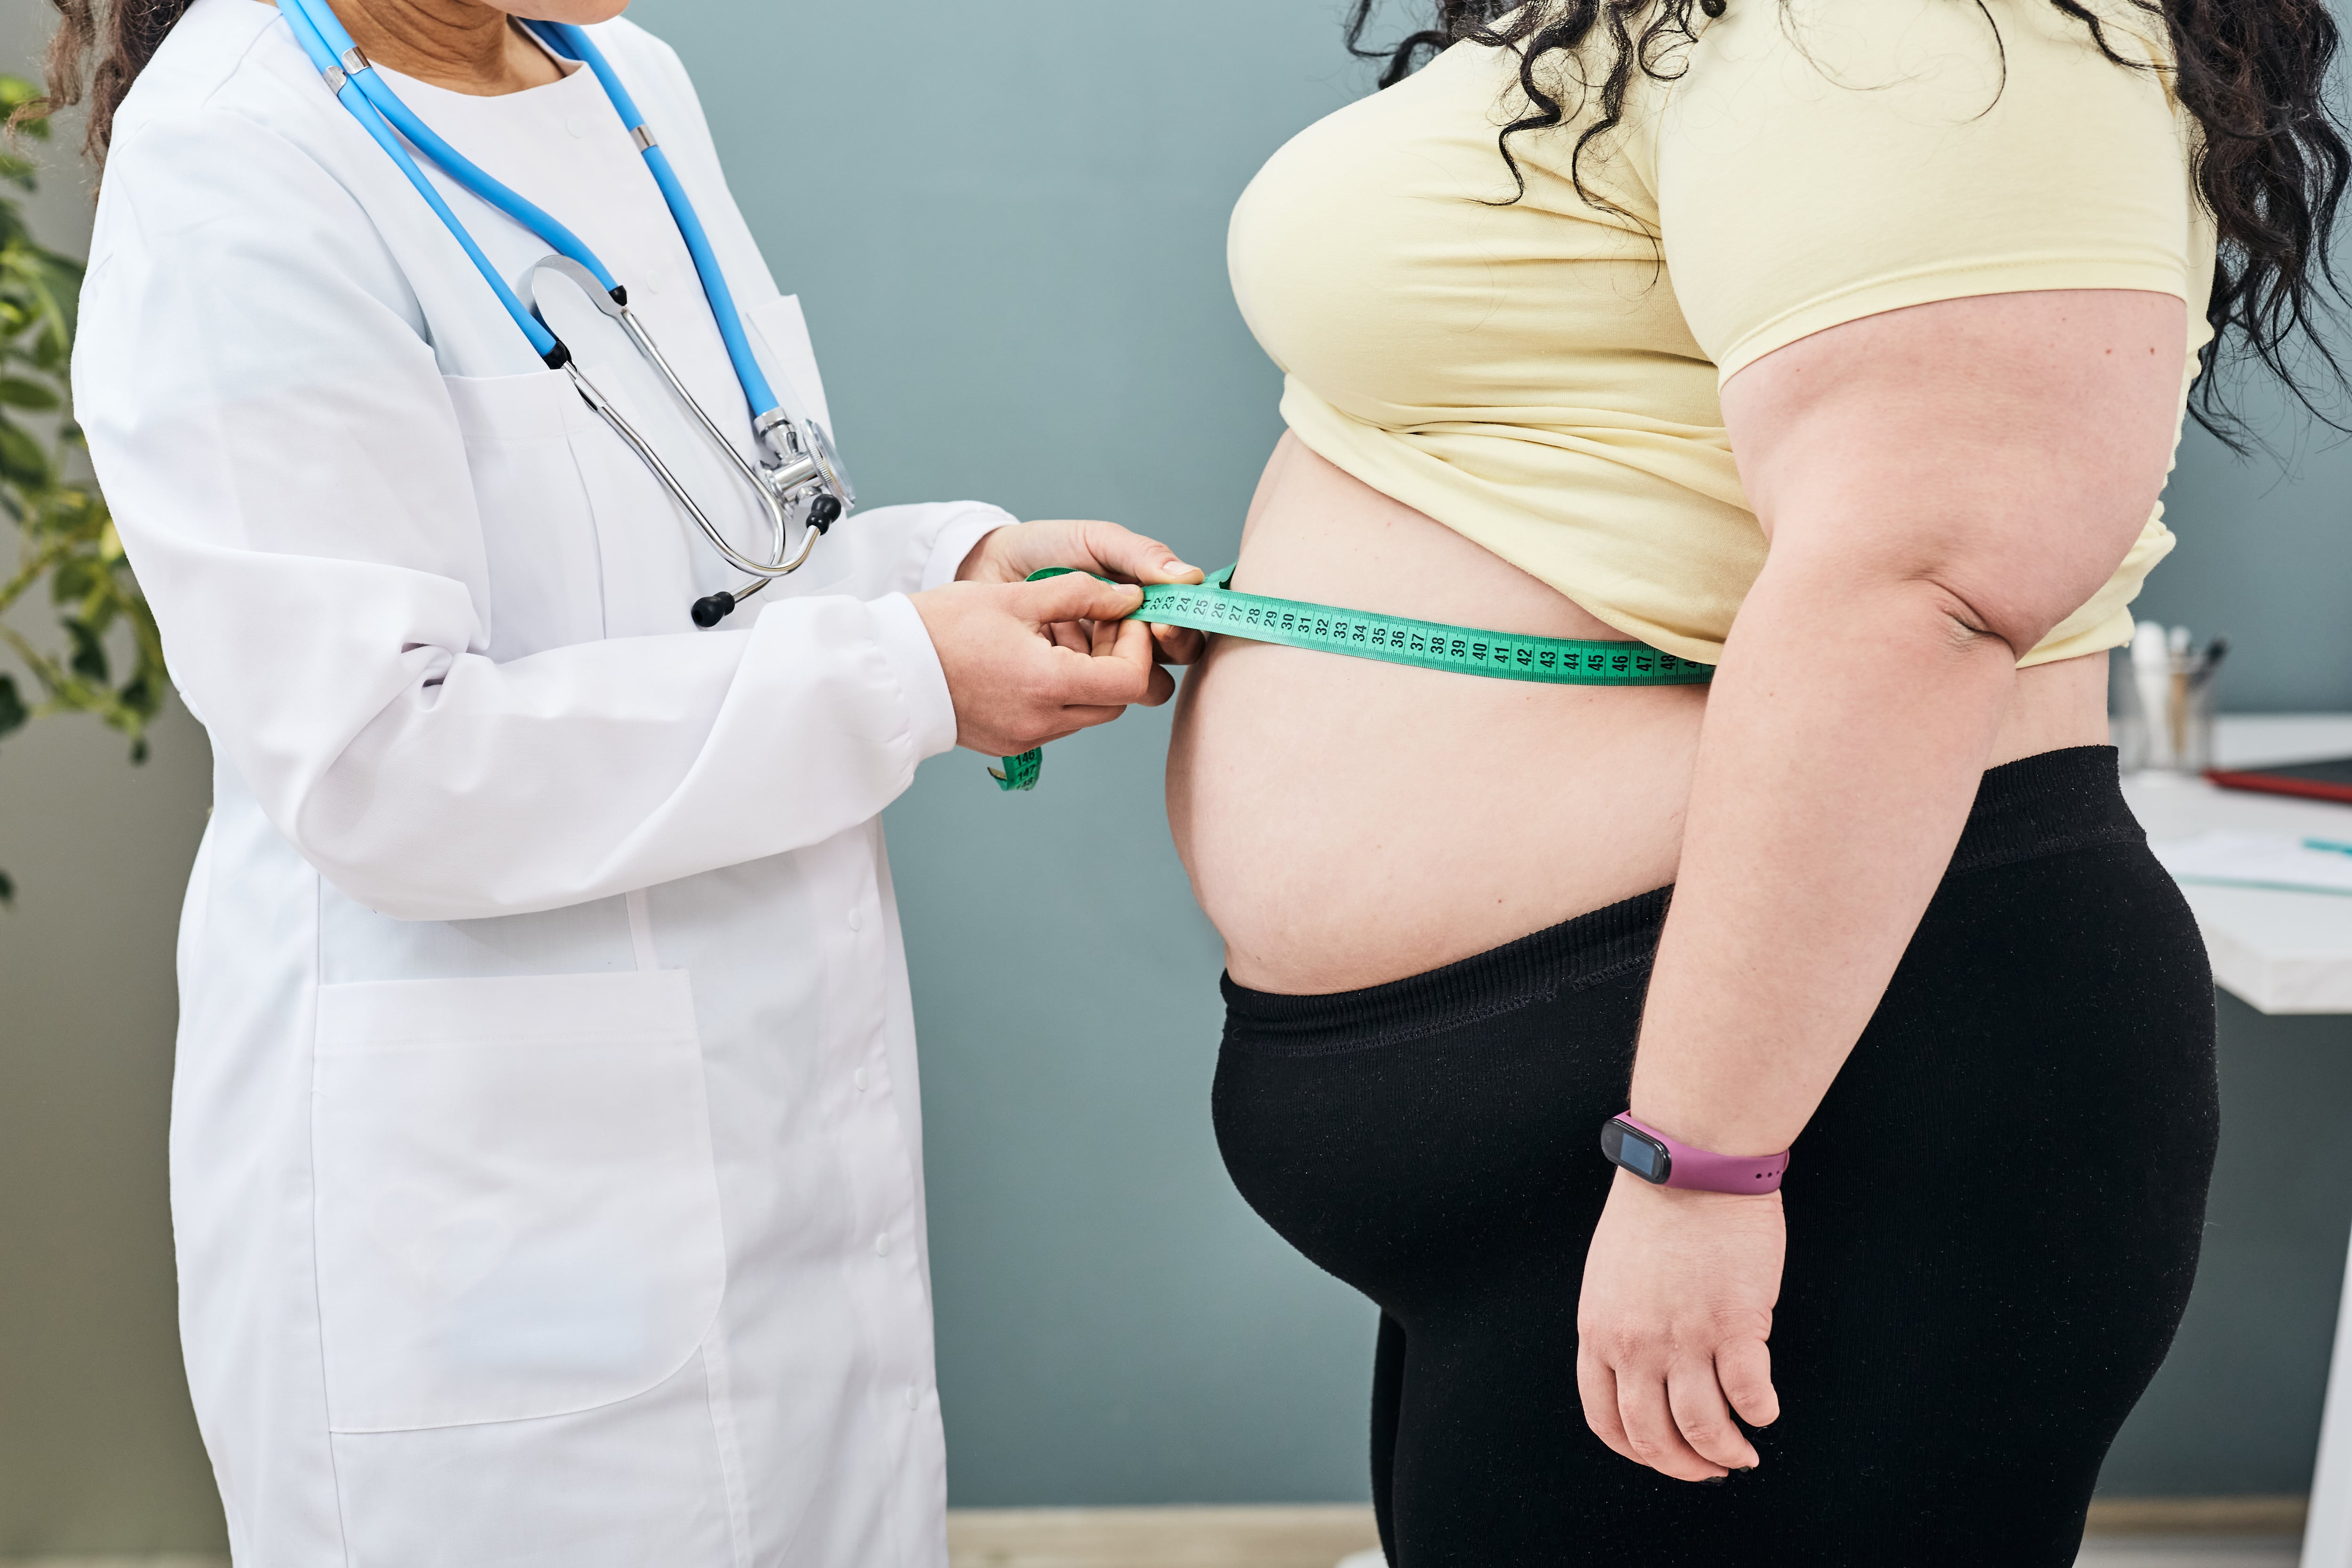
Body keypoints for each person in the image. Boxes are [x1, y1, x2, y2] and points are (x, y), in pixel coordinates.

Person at [1167, 0, 2344, 1560]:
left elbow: (1926, 580)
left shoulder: (1940, 26)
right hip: (1620, 1135)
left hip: (1821, 1107)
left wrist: (1703, 1165)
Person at [48, 0, 1201, 1562]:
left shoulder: (624, 79)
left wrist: (949, 573)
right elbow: (385, 762)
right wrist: (906, 671)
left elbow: (705, 575)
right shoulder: (236, 151)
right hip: (492, 1230)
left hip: (783, 1151)